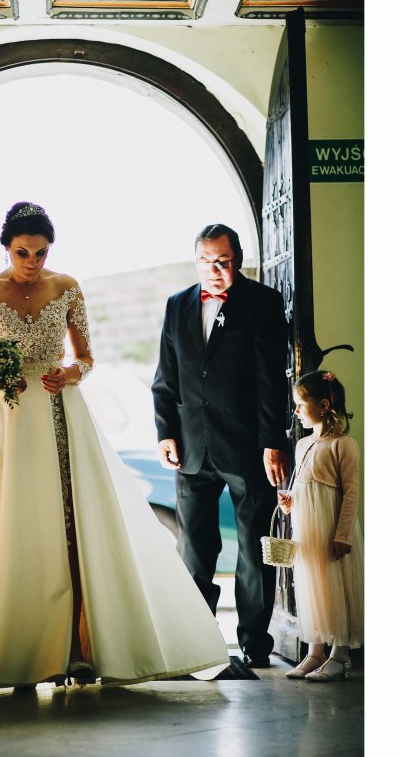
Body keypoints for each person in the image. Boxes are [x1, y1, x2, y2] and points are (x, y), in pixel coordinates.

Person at [0, 202, 230, 688]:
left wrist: (72, 373)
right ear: (6, 248)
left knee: (71, 523)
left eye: (40, 253)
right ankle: (11, 648)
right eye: (22, 253)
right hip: (4, 419)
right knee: (8, 524)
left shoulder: (67, 287)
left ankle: (77, 649)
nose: (32, 262)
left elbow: (87, 357)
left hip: (59, 413)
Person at [152, 224, 288, 668]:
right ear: (196, 262)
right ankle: (197, 639)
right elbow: (165, 378)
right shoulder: (177, 305)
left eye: (223, 262)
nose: (214, 270)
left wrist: (272, 443)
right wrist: (165, 432)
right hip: (192, 448)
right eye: (206, 261)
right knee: (194, 549)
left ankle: (254, 642)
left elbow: (271, 381)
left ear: (238, 259)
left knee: (253, 548)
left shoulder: (264, 302)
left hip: (248, 447)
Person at [278, 370, 364, 681]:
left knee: (337, 588)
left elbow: (350, 493)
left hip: (331, 530)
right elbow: (305, 487)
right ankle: (315, 652)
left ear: (323, 405)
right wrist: (290, 502)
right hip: (309, 531)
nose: (296, 411)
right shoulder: (303, 445)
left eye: (301, 404)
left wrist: (343, 534)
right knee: (313, 587)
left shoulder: (344, 445)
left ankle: (340, 655)